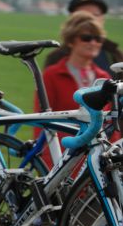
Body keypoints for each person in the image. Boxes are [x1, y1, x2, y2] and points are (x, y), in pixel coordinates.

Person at [34, 11, 113, 166]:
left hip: (97, 159)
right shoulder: (52, 75)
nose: (93, 43)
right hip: (63, 156)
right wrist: (48, 162)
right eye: (86, 38)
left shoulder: (104, 77)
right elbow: (42, 122)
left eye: (98, 39)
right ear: (71, 41)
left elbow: (110, 121)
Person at [44, 0, 122, 80]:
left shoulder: (114, 55)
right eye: (83, 16)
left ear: (103, 19)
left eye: (94, 15)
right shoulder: (55, 58)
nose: (89, 20)